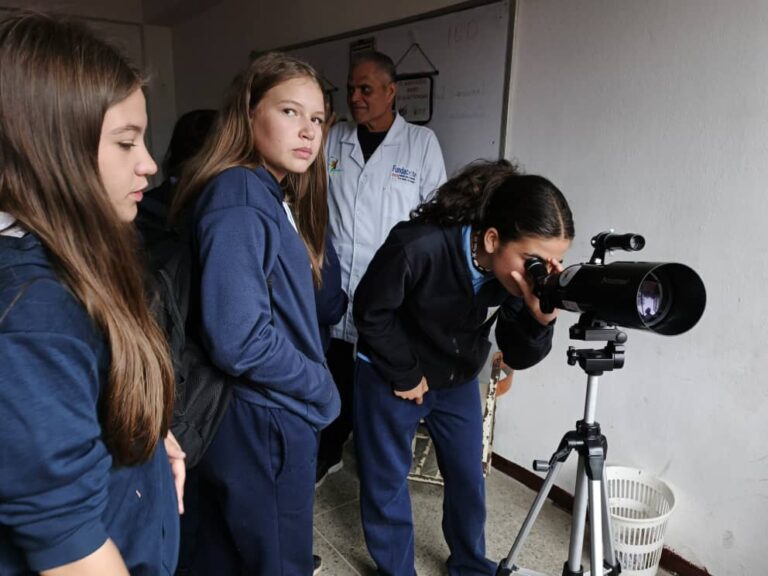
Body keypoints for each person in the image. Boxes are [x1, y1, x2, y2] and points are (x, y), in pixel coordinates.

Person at [0, 12, 181, 575]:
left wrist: (154, 439)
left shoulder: (75, 250)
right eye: (126, 143)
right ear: (51, 151)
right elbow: (68, 546)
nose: (149, 164)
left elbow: (87, 389)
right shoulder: (33, 313)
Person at [352, 159, 575, 576]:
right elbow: (369, 311)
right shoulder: (417, 246)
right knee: (386, 481)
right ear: (492, 239)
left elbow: (519, 354)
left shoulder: (512, 277)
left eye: (551, 263)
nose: (540, 274)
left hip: (454, 376)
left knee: (468, 478)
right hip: (390, 369)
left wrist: (539, 319)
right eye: (534, 260)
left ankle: (470, 564)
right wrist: (405, 373)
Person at [170, 52, 340, 576]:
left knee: (224, 555)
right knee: (280, 563)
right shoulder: (240, 193)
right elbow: (239, 338)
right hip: (263, 412)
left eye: (316, 119)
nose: (307, 131)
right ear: (249, 113)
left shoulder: (268, 188)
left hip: (259, 411)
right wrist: (320, 386)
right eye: (290, 112)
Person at [319, 50, 447, 483]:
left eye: (366, 89)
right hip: (338, 283)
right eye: (352, 88)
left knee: (378, 381)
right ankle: (330, 451)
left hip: (392, 293)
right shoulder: (334, 139)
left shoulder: (420, 145)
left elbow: (435, 220)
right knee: (335, 374)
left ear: (391, 92)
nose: (355, 97)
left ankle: (377, 463)